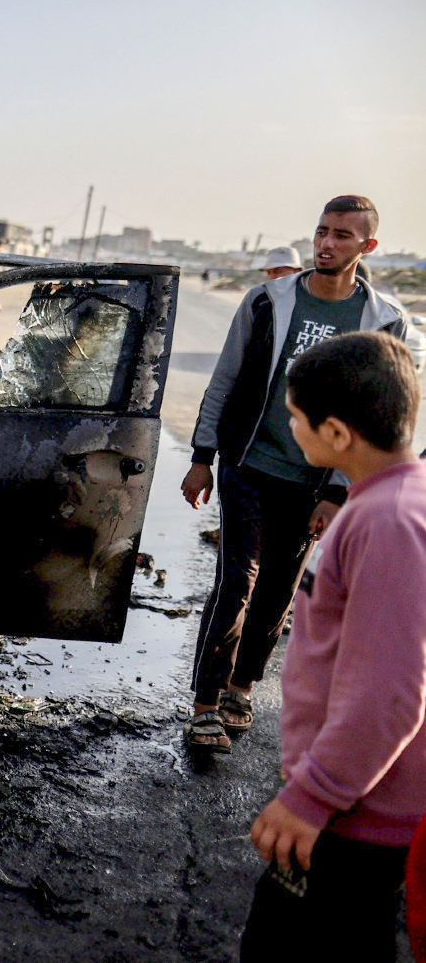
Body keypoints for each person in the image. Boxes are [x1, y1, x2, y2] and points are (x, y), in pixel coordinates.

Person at [182, 195, 407, 753]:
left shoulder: (384, 321)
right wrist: (202, 456)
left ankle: (241, 688)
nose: (326, 243)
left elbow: (374, 418)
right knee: (236, 582)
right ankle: (205, 703)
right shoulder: (268, 301)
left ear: (368, 246)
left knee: (278, 591)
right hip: (249, 463)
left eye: (342, 235)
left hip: (313, 482)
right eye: (322, 231)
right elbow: (225, 377)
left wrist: (339, 492)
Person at [240, 330, 426, 961]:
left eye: (296, 418)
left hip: (356, 815)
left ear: (338, 434)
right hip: (356, 797)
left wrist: (312, 795)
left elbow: (389, 693)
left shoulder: (385, 521)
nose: (291, 428)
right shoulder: (396, 499)